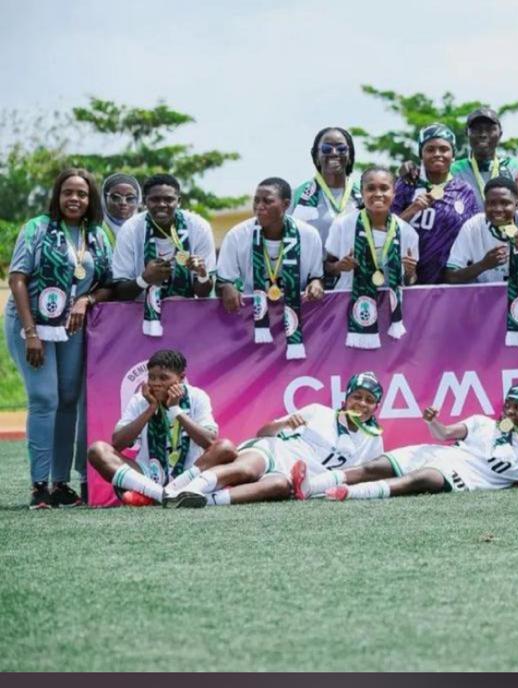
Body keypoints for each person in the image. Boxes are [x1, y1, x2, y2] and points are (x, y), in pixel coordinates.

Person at [6, 168, 114, 508]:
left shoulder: (96, 234)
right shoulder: (36, 227)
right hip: (31, 323)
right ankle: (39, 486)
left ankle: (61, 483)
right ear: (57, 195)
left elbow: (108, 283)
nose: (74, 199)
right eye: (68, 192)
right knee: (44, 398)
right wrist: (31, 332)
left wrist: (87, 299)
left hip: (71, 325)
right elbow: (18, 279)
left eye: (81, 194)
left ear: (89, 199)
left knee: (69, 399)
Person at [165, 373, 386, 508]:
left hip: (291, 475)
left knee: (279, 486)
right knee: (248, 469)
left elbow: (363, 475)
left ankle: (207, 500)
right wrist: (285, 424)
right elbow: (263, 432)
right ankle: (191, 489)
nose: (362, 404)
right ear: (346, 398)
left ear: (376, 406)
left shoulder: (373, 440)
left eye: (369, 400)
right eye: (357, 396)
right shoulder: (319, 411)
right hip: (273, 449)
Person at [315, 384, 518, 501]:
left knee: (421, 478)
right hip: (442, 453)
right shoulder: (482, 423)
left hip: (466, 477)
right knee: (375, 466)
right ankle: (311, 486)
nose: (510, 411)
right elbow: (444, 434)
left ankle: (349, 493)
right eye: (508, 405)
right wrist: (433, 422)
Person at [86, 349, 228, 506]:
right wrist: (150, 409)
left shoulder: (197, 397)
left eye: (163, 378)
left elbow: (209, 441)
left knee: (225, 447)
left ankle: (166, 491)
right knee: (97, 450)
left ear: (181, 378)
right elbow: (118, 443)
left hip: (189, 476)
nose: (155, 383)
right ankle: (162, 495)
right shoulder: (140, 400)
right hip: (147, 474)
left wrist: (176, 410)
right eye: (151, 377)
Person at [216, 178, 325, 359]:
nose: (259, 206)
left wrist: (316, 284)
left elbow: (317, 276)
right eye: (256, 200)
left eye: (267, 201)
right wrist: (227, 287)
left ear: (286, 204)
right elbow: (223, 280)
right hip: (252, 325)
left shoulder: (308, 234)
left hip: (300, 323)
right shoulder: (237, 235)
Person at [110, 174, 216, 336]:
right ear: (144, 201)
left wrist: (202, 274)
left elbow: (203, 292)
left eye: (169, 199)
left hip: (188, 320)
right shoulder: (130, 229)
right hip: (140, 320)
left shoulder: (199, 227)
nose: (162, 205)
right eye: (155, 199)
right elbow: (120, 291)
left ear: (179, 201)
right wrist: (145, 279)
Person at [325, 167, 419, 349]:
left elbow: (411, 281)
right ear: (362, 192)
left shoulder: (407, 233)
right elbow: (326, 267)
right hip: (347, 308)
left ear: (394, 192)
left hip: (390, 315)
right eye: (371, 188)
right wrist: (338, 266)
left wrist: (410, 273)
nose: (378, 194)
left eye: (384, 188)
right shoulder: (343, 225)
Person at [390, 124, 481, 284]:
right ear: (421, 154)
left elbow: (473, 238)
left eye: (444, 149)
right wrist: (412, 209)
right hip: (408, 281)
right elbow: (385, 231)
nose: (437, 154)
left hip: (450, 283)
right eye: (430, 149)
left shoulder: (465, 191)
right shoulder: (406, 185)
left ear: (453, 155)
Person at [445, 178, 518, 283]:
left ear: (516, 203)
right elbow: (451, 276)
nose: (498, 209)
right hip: (484, 296)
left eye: (505, 203)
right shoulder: (473, 226)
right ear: (484, 203)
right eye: (491, 203)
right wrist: (483, 265)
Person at [289, 127, 363, 248]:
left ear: (350, 156)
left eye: (341, 148)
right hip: (312, 267)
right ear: (317, 156)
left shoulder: (364, 195)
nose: (334, 153)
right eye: (326, 148)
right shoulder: (296, 196)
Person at [448, 107, 518, 208]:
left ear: (500, 134)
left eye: (489, 129)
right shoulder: (454, 170)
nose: (483, 134)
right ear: (467, 134)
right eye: (476, 129)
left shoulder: (516, 168)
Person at [100, 173, 141, 246]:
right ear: (104, 199)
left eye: (130, 198)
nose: (123, 203)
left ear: (138, 200)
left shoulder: (144, 230)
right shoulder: (94, 230)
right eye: (116, 197)